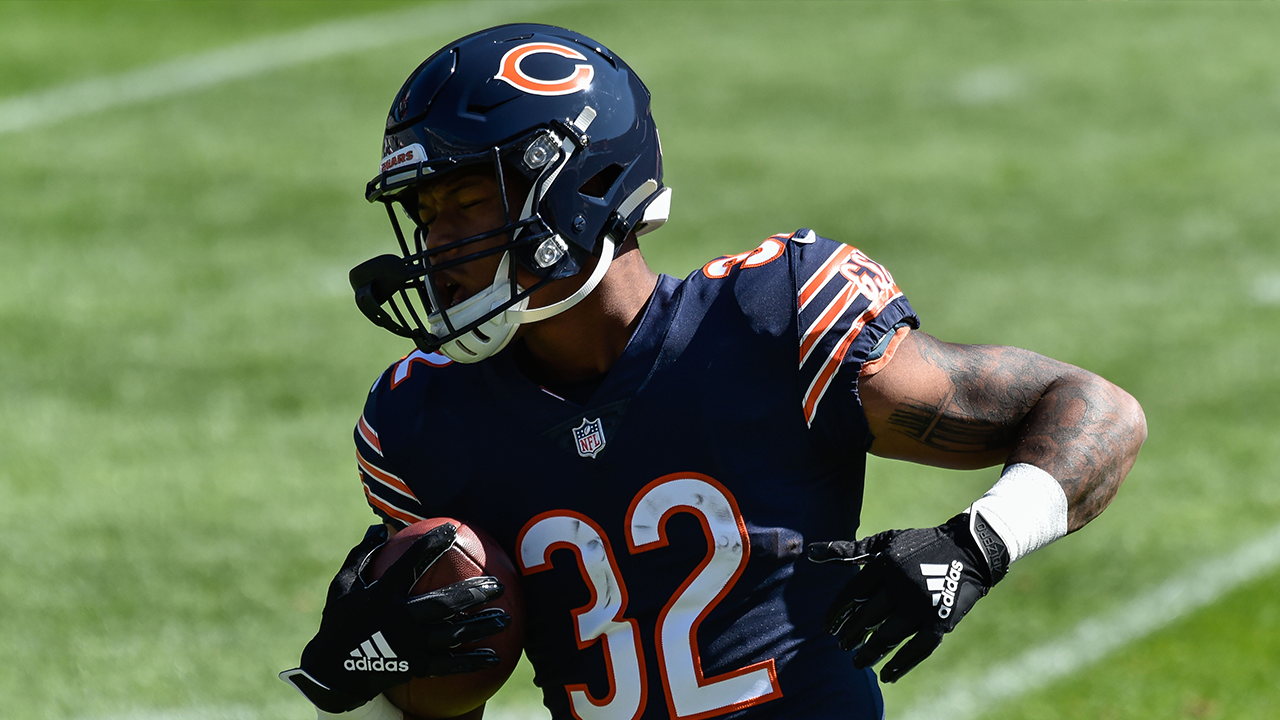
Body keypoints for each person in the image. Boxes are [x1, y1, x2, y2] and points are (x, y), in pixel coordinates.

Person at [280, 23, 1147, 720]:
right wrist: (379, 680)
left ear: (579, 182)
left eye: (465, 200)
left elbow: (1097, 410)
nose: (438, 247)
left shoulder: (773, 320)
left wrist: (978, 544)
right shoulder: (421, 418)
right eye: (425, 215)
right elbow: (445, 687)